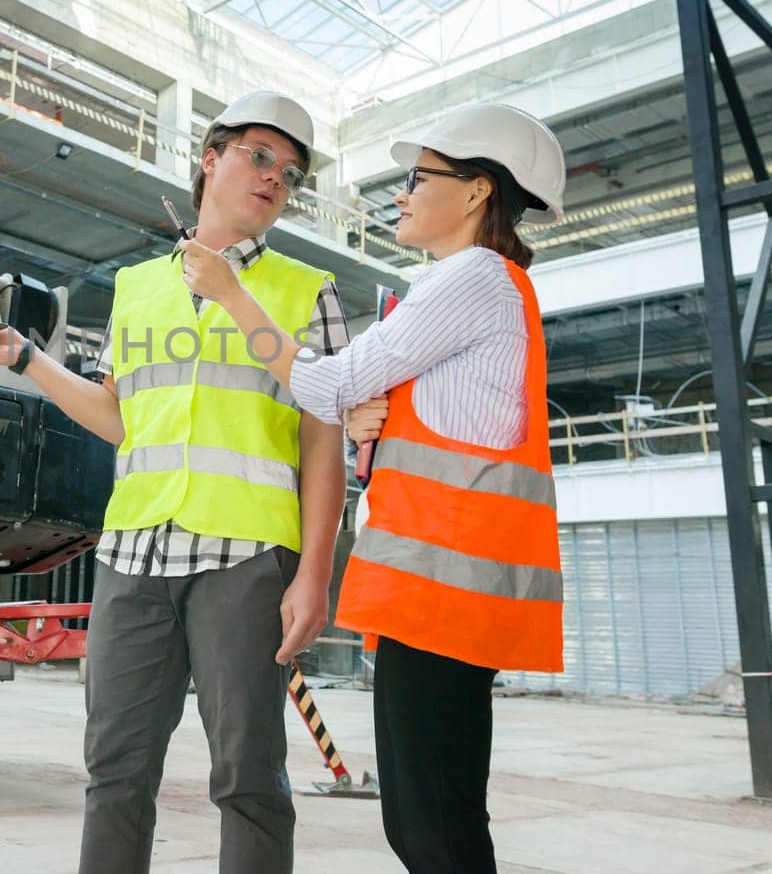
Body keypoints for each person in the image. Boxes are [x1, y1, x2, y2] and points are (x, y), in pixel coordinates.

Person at [0, 89, 384, 874]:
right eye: (260, 158)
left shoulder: (304, 290)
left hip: (248, 561)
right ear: (210, 159)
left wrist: (316, 573)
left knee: (249, 779)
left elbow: (324, 444)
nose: (273, 181)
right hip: (133, 558)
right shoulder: (135, 286)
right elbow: (125, 419)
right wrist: (25, 358)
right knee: (114, 774)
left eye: (289, 175)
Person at [178, 101, 567, 874]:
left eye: (418, 177)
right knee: (442, 820)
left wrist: (230, 294)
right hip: (445, 598)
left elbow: (327, 383)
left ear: (477, 192)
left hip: (442, 598)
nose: (402, 193)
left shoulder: (472, 278)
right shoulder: (488, 289)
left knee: (432, 831)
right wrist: (372, 423)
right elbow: (421, 417)